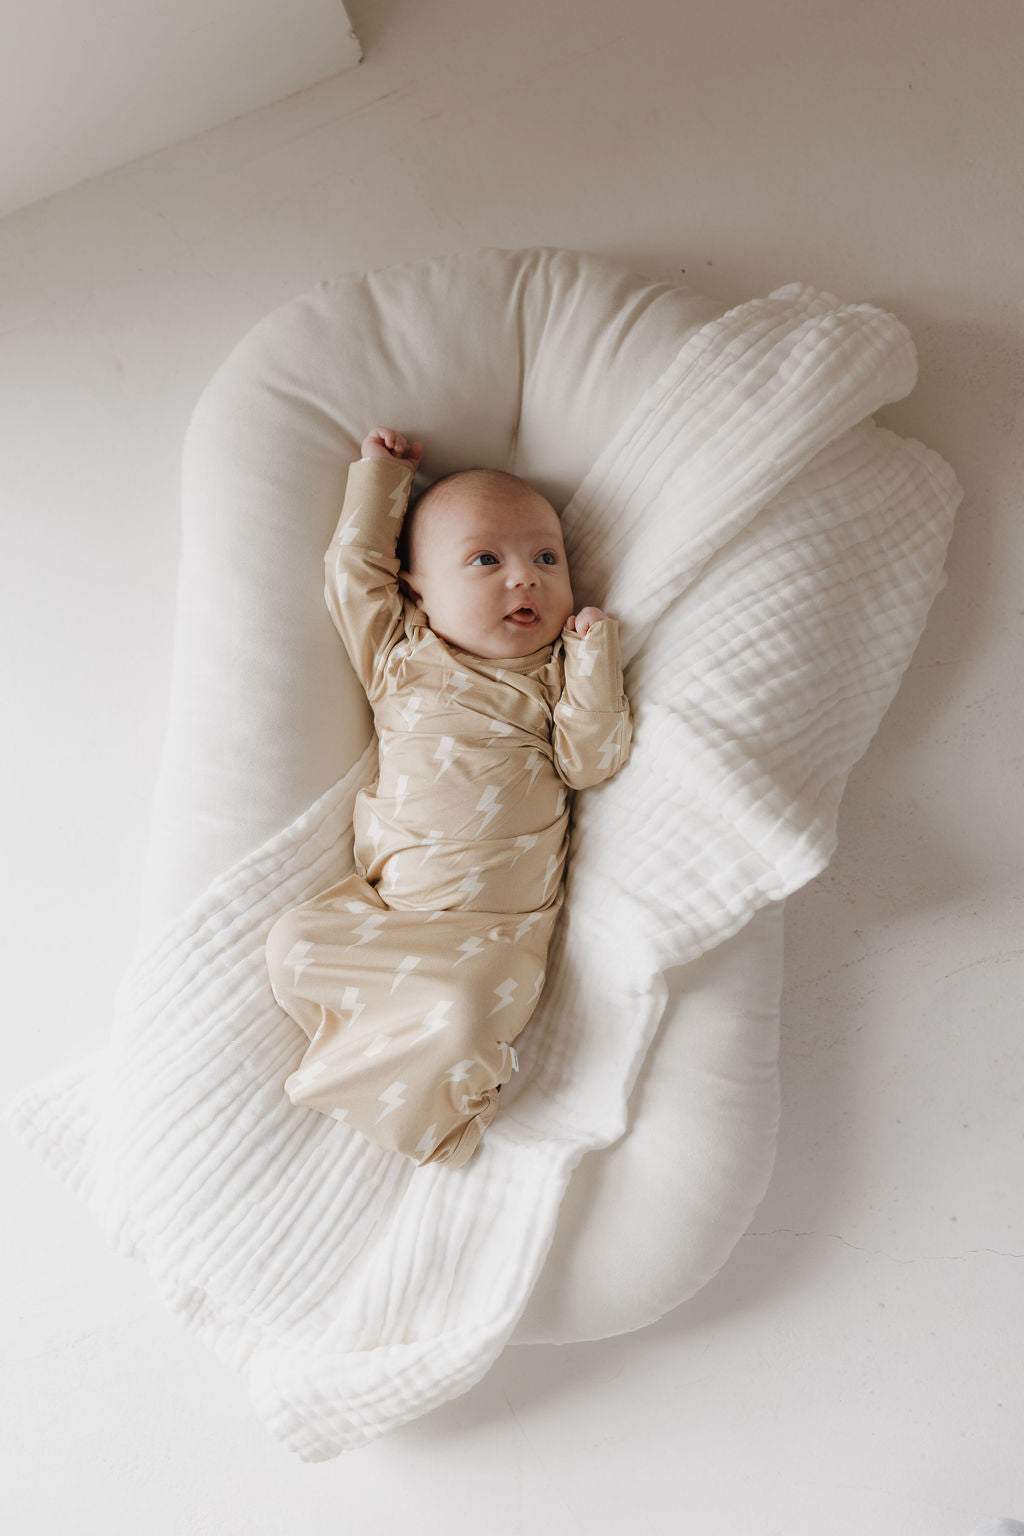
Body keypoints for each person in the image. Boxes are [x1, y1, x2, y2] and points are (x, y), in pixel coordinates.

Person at [265, 427, 632, 1167]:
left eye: (546, 558)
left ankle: (445, 1119)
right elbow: (351, 571)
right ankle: (368, 1054)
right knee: (293, 944)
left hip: (494, 935)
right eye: (486, 560)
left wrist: (594, 660)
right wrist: (382, 480)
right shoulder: (401, 656)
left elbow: (592, 762)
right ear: (418, 591)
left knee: (466, 1015)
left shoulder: (551, 676)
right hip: (396, 916)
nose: (524, 578)